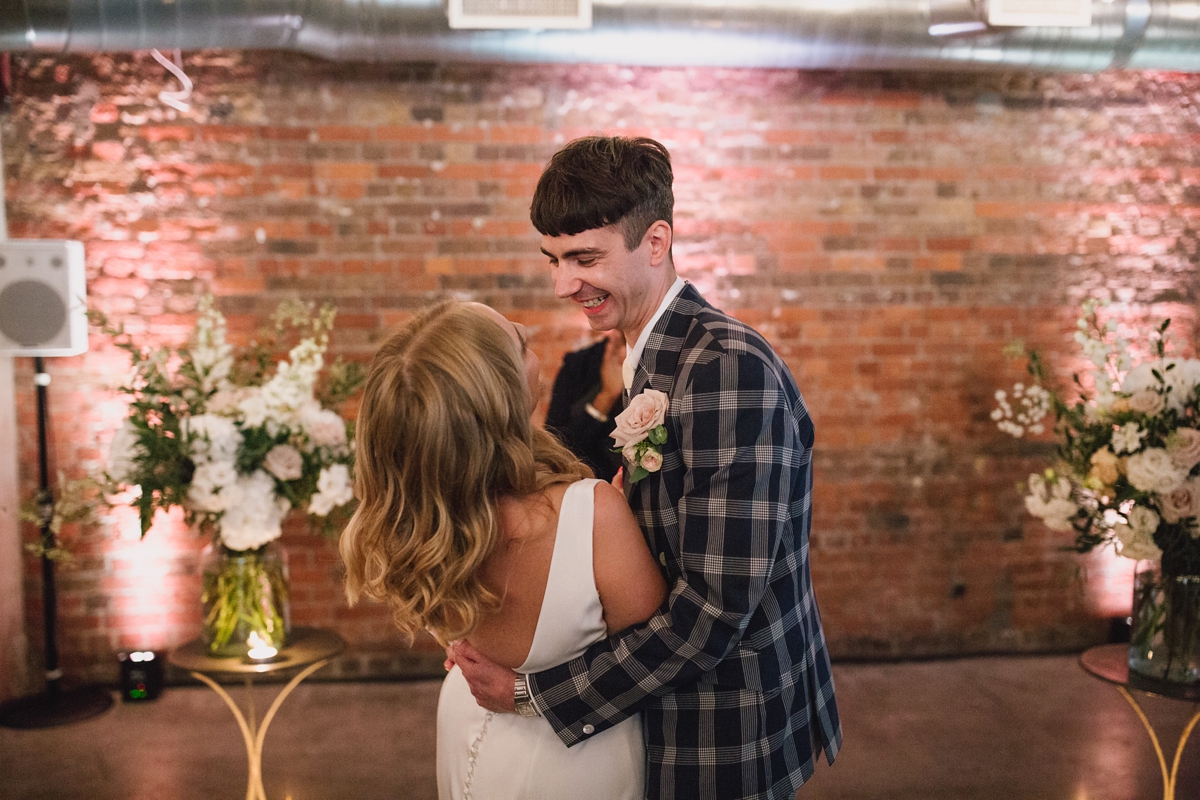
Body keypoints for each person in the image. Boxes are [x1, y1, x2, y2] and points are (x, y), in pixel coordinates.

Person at [452, 135, 842, 799]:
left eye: (585, 258)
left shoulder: (725, 368)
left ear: (656, 242)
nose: (563, 285)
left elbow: (714, 613)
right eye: (554, 260)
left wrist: (532, 694)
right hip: (654, 709)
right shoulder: (651, 355)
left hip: (720, 727)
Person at [339, 299, 667, 800]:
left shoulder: (423, 525)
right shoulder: (592, 512)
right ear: (501, 394)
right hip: (573, 758)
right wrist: (617, 526)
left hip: (467, 718)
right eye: (520, 344)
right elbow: (654, 651)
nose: (524, 325)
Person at [544, 328, 626, 481]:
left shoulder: (667, 362)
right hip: (594, 484)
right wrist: (606, 397)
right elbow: (556, 448)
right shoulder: (579, 365)